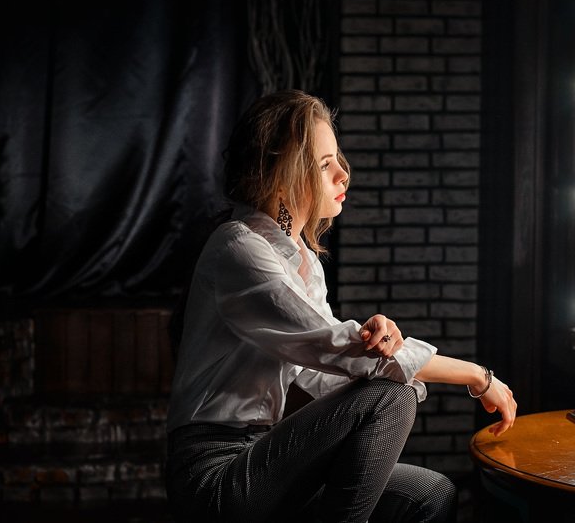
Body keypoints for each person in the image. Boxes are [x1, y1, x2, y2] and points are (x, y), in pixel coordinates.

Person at [165, 89, 517, 523]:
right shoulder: (239, 248)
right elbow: (333, 347)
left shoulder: (304, 261)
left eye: (338, 160)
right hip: (213, 474)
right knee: (391, 396)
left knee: (430, 494)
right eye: (324, 164)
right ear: (280, 176)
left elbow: (322, 372)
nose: (343, 175)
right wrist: (477, 376)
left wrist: (375, 342)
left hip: (264, 453)